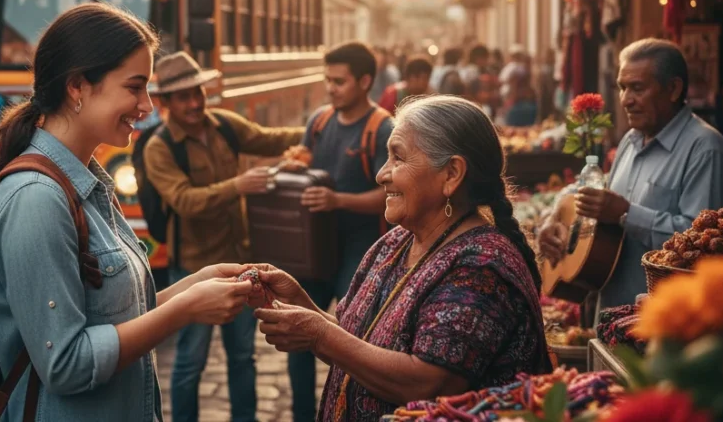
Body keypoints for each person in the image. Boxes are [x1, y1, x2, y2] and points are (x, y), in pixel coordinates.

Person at [0, 3, 255, 421]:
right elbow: (65, 365)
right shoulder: (36, 199)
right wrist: (185, 310)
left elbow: (113, 316)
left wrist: (194, 286)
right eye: (135, 87)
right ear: (77, 87)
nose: (147, 106)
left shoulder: (84, 182)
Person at [254, 96, 551, 421]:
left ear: (451, 173)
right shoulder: (394, 244)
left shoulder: (481, 266)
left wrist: (319, 335)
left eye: (398, 158)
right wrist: (300, 305)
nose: (382, 174)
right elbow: (362, 347)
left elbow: (429, 383)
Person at [143, 52, 303, 422]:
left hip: (239, 260)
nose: (195, 102)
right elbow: (184, 201)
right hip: (195, 268)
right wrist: (239, 185)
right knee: (190, 362)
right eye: (183, 97)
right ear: (165, 103)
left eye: (197, 92)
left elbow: (269, 139)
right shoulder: (159, 148)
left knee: (242, 356)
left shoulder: (224, 125)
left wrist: (318, 129)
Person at [539, 38, 723, 308]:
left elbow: (703, 248)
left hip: (665, 321)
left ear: (673, 89)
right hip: (611, 313)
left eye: (637, 88)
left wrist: (626, 214)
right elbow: (600, 193)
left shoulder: (705, 148)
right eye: (622, 87)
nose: (626, 100)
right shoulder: (631, 140)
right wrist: (554, 213)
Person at [288, 41, 394, 422]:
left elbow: (391, 194)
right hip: (314, 248)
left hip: (361, 249)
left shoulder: (382, 129)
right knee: (298, 336)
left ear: (365, 81)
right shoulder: (318, 122)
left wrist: (338, 200)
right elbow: (302, 161)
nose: (331, 89)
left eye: (340, 82)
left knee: (353, 341)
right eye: (327, 80)